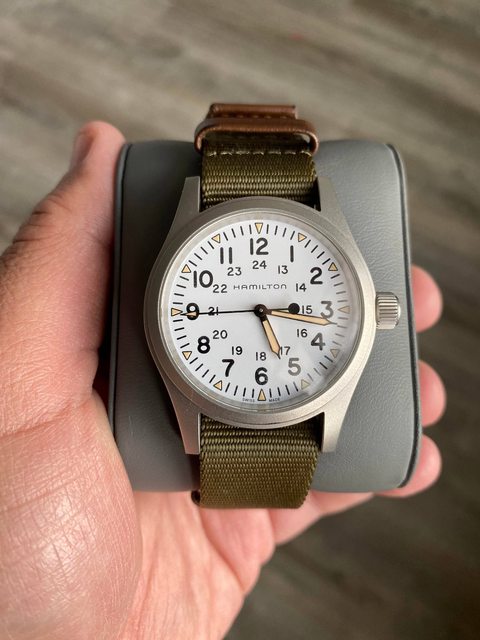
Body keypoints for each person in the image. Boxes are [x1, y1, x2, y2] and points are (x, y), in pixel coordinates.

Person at [0, 122, 446, 640]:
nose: (262, 310)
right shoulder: (209, 203)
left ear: (375, 310)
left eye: (267, 310)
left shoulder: (305, 210)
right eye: (260, 310)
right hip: (204, 404)